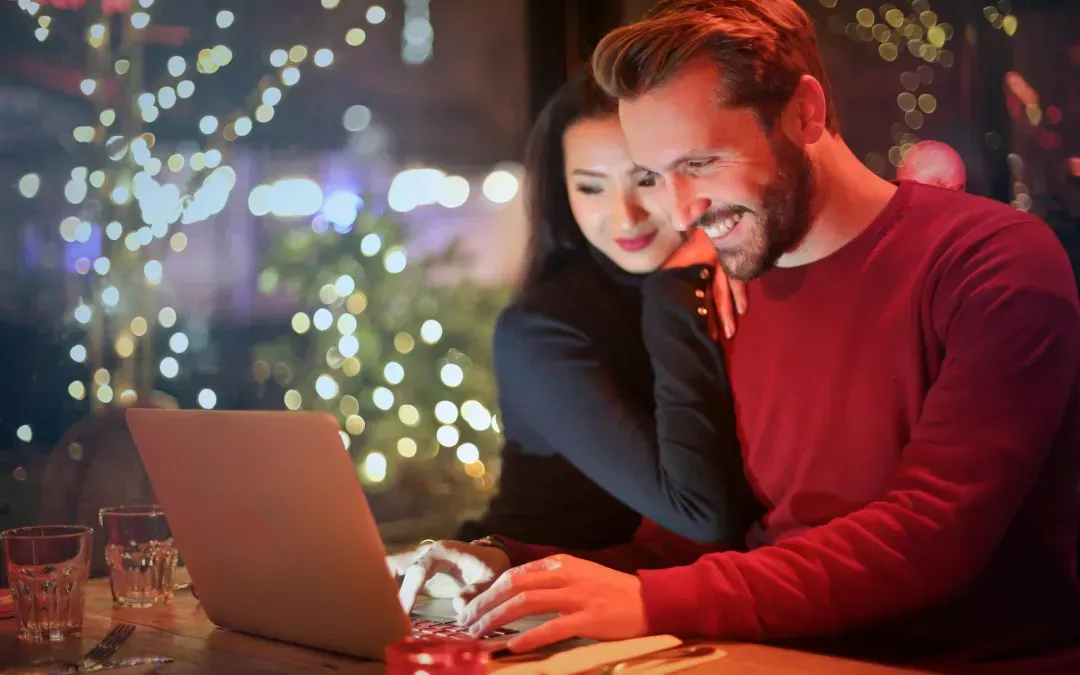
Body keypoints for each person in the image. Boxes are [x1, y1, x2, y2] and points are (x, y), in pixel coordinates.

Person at [391, 1, 1080, 670]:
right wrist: (510, 567)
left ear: (805, 112)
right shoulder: (725, 286)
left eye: (699, 163)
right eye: (656, 176)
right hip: (764, 655)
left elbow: (931, 532)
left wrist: (647, 599)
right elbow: (684, 554)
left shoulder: (993, 262)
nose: (679, 210)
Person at [442, 75, 758, 564]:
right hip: (524, 596)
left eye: (646, 180)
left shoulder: (736, 276)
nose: (625, 217)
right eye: (590, 187)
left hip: (649, 606)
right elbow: (701, 515)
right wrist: (680, 281)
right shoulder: (541, 331)